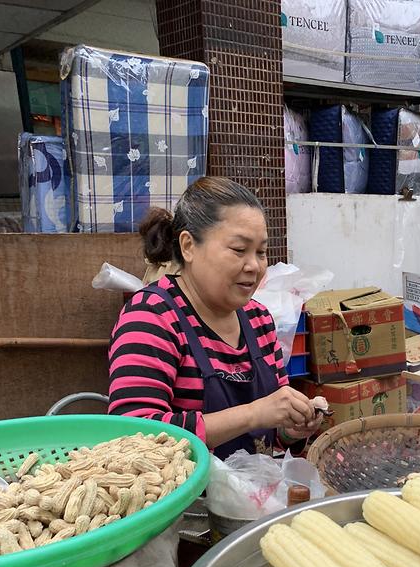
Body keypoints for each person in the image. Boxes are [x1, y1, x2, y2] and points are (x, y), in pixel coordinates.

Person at [108, 176, 322, 458]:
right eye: (239, 250)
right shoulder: (152, 317)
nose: (254, 266)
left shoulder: (259, 319)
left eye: (261, 252)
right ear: (188, 246)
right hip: (186, 499)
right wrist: (253, 414)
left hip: (251, 494)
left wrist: (290, 427)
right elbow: (134, 436)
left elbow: (270, 435)